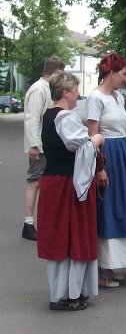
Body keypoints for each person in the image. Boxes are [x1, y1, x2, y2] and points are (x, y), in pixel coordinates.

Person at [38, 71, 104, 310]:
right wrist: (96, 139)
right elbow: (80, 146)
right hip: (69, 184)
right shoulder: (65, 117)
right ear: (65, 92)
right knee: (73, 236)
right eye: (75, 89)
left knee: (61, 237)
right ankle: (69, 295)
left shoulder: (49, 116)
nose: (78, 93)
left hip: (55, 182)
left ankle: (65, 292)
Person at [87, 52, 126, 288]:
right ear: (111, 73)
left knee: (123, 208)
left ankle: (115, 263)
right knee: (108, 209)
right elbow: (93, 136)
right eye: (123, 73)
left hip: (122, 154)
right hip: (107, 153)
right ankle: (102, 268)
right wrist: (100, 167)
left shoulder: (119, 97)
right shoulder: (95, 98)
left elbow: (124, 131)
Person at [22, 55, 66, 241]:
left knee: (43, 183)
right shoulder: (38, 90)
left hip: (45, 145)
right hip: (39, 146)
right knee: (35, 182)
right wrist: (34, 145)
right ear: (55, 72)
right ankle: (28, 223)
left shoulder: (46, 89)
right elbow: (32, 118)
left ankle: (41, 222)